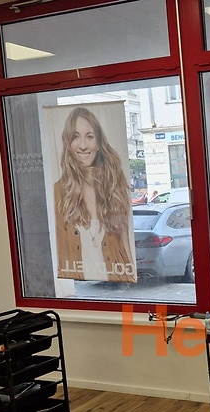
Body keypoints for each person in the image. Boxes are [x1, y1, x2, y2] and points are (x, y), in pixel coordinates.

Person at [54, 106, 136, 283]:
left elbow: (125, 246)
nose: (83, 145)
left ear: (98, 143)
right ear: (68, 143)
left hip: (117, 286)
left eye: (90, 136)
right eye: (75, 136)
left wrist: (131, 278)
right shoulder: (57, 194)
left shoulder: (115, 189)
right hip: (81, 289)